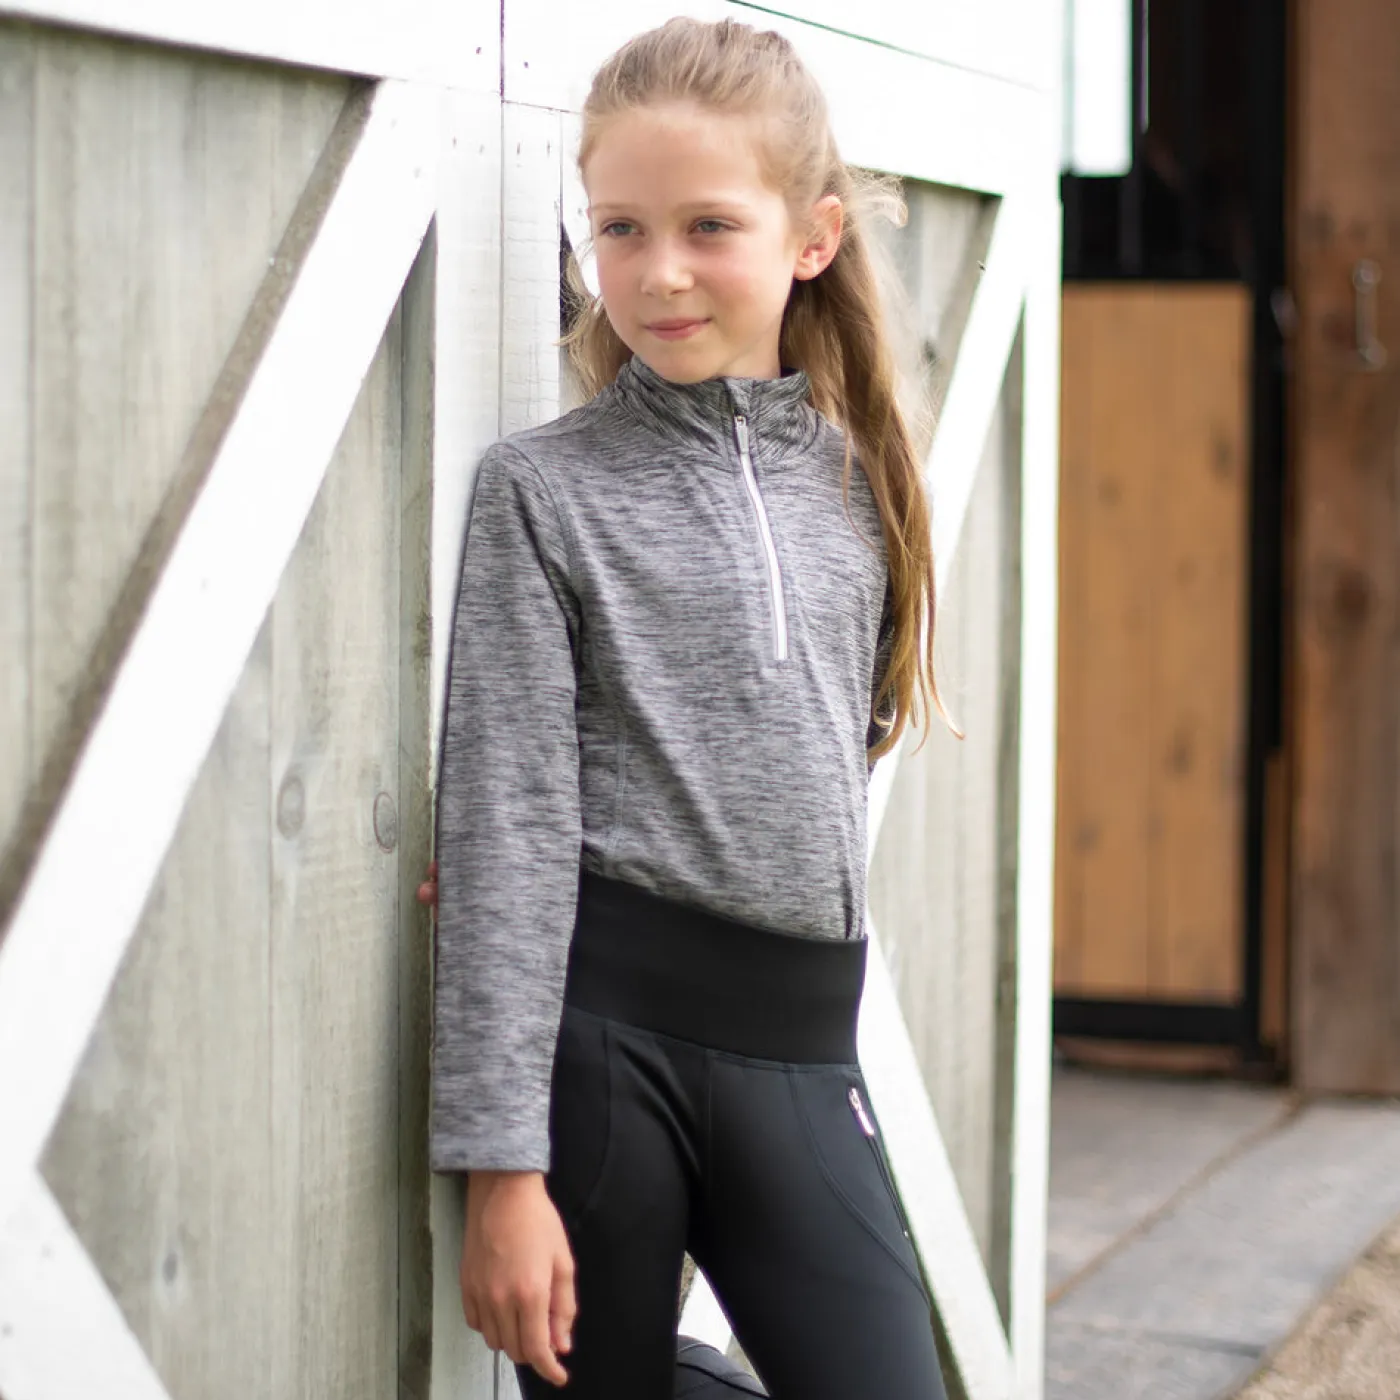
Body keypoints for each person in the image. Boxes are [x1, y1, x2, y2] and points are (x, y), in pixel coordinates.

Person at [427, 17, 950, 1399]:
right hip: (605, 1056)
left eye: (709, 225)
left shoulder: (864, 490)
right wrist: (500, 1173)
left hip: (802, 1047)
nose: (657, 273)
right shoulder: (542, 494)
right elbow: (507, 833)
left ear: (811, 237)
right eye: (620, 228)